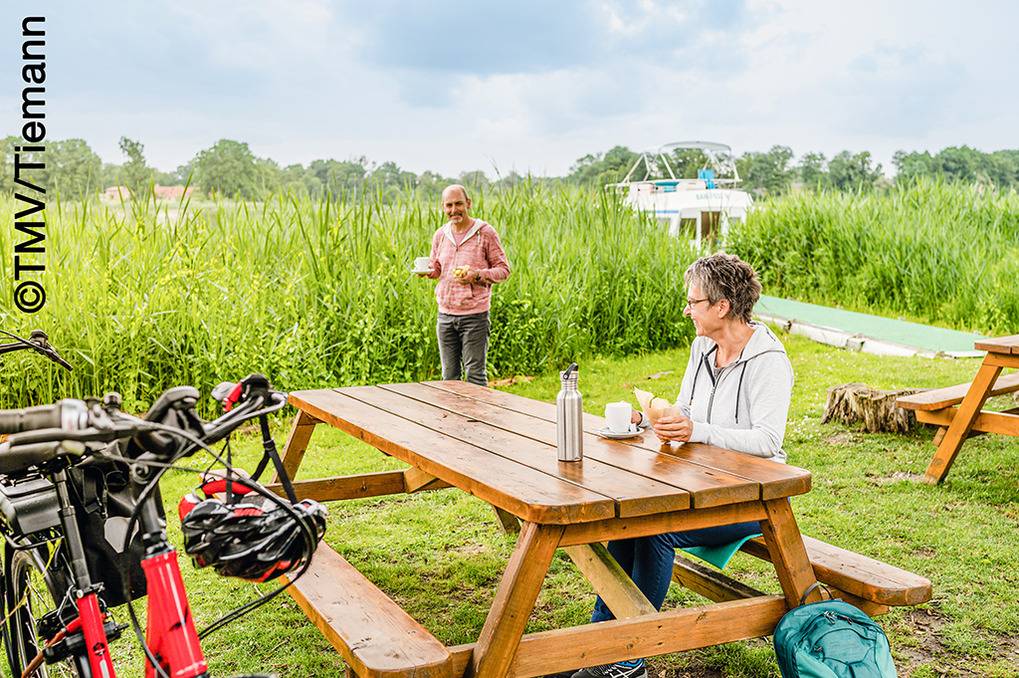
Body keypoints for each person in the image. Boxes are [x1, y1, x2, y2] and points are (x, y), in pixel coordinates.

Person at [571, 253, 794, 678]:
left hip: (753, 498)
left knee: (657, 530)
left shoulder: (769, 362)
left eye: (693, 302)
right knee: (630, 520)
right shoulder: (702, 347)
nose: (687, 310)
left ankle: (628, 660)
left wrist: (697, 431)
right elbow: (688, 410)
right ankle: (601, 645)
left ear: (722, 306)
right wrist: (650, 419)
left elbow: (768, 441)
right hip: (700, 483)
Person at [419, 185, 510, 386]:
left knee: (475, 376)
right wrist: (428, 272)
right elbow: (437, 268)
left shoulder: (485, 233)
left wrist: (476, 275)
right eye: (449, 205)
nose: (454, 210)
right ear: (443, 207)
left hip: (475, 316)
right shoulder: (440, 235)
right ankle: (453, 409)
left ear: (468, 203)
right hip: (445, 316)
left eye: (458, 204)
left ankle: (478, 409)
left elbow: (503, 270)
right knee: (449, 378)